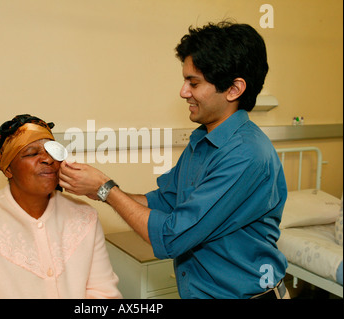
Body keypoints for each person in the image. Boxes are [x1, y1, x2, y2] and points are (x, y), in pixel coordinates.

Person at [59, 21, 289, 299]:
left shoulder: (246, 156)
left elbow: (171, 237)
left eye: (194, 83)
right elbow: (163, 201)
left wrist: (106, 190)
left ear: (233, 89)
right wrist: (96, 189)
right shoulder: (202, 142)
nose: (183, 92)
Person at [0, 114, 121, 299]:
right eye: (32, 153)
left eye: (52, 152)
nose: (47, 159)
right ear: (8, 169)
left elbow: (103, 293)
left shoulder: (85, 217)